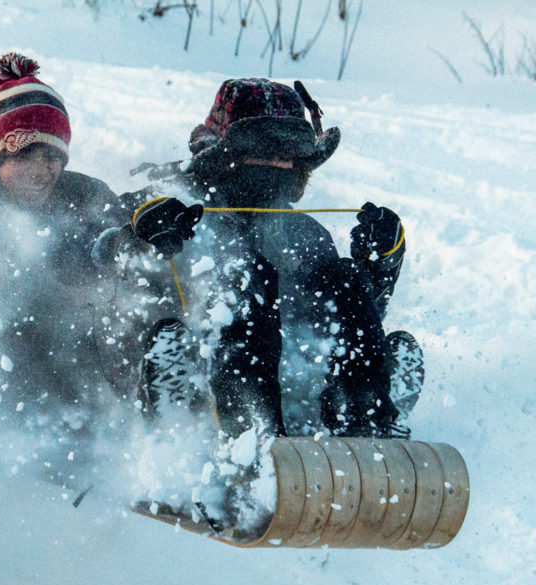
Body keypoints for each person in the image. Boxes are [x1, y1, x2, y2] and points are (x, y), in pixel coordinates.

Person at [129, 78, 418, 438]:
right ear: (227, 155)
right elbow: (96, 258)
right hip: (204, 383)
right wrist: (139, 235)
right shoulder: (174, 202)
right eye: (264, 150)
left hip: (297, 389)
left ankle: (365, 415)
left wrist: (378, 266)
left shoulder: (304, 234)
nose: (277, 164)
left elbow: (340, 317)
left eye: (287, 155)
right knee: (248, 274)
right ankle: (247, 432)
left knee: (342, 276)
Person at [0, 53, 138, 436]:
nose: (43, 169)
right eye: (27, 155)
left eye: (54, 155)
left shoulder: (83, 193)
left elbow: (116, 237)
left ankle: (152, 422)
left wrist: (141, 230)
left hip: (87, 353)